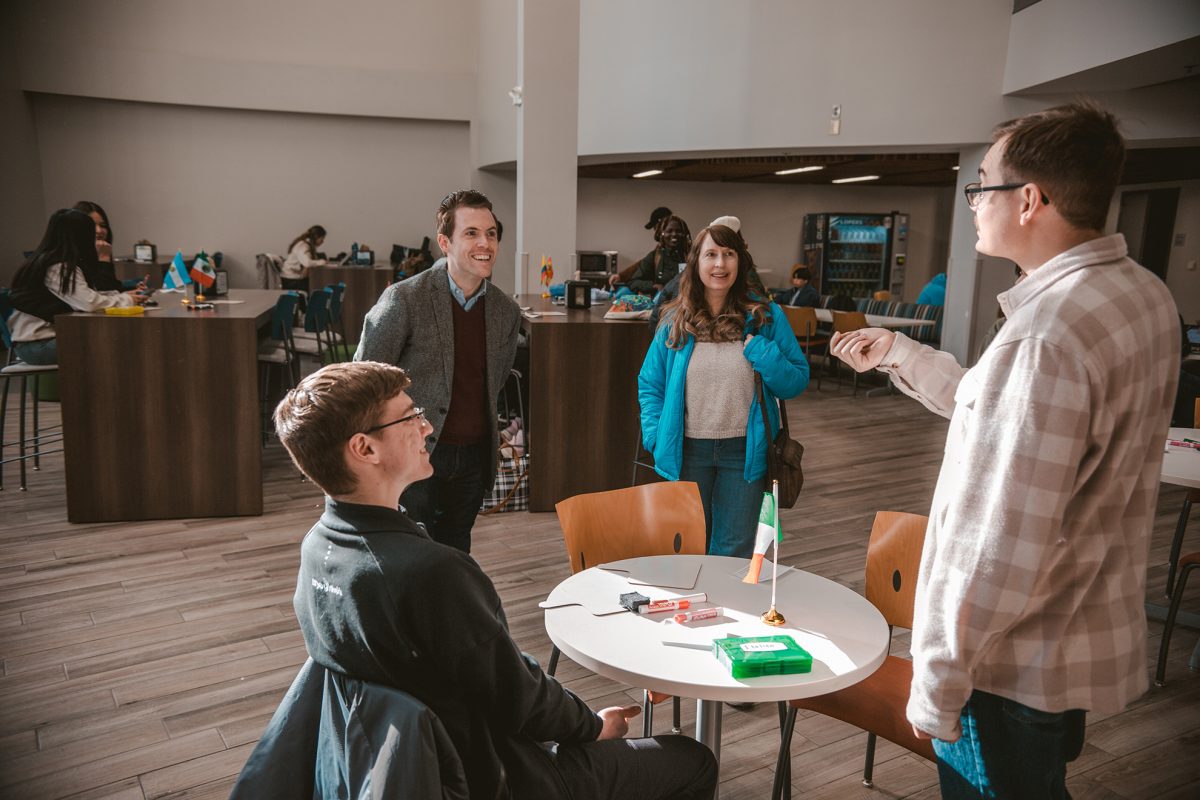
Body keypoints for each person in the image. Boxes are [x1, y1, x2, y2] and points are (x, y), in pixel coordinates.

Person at [829, 102, 1179, 799]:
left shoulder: (1043, 336)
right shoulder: (1140, 295)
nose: (972, 205)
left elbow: (994, 543)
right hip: (1068, 644)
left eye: (979, 185)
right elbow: (1002, 417)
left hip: (1007, 665)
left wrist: (936, 684)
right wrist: (901, 353)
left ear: (1029, 200)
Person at [274, 360, 718, 799]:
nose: (427, 429)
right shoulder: (430, 572)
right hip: (489, 774)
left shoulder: (318, 547)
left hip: (394, 766)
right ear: (364, 449)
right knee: (694, 761)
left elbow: (488, 668)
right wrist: (596, 726)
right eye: (411, 417)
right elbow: (518, 699)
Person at [356, 189, 522, 554]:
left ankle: (448, 613)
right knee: (410, 554)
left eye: (491, 233)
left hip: (474, 458)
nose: (485, 243)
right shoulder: (405, 299)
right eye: (472, 233)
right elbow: (362, 379)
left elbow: (494, 380)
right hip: (413, 453)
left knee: (456, 553)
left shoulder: (505, 312)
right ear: (445, 242)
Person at [639, 223, 809, 557]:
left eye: (728, 254)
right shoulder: (675, 319)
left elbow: (795, 381)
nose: (720, 264)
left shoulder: (766, 317)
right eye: (711, 255)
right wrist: (656, 436)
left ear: (740, 262)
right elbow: (650, 383)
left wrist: (762, 353)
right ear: (696, 263)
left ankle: (727, 610)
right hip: (687, 451)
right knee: (690, 544)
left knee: (734, 548)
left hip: (744, 453)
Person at [8, 209, 146, 364]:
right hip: (39, 345)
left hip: (42, 341)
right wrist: (126, 299)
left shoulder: (54, 261)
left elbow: (85, 296)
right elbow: (88, 302)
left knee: (121, 339)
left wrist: (123, 296)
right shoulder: (59, 267)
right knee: (122, 342)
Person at [611, 214, 691, 295]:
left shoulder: (693, 256)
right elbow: (634, 280)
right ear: (662, 233)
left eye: (678, 231)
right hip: (662, 304)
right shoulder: (656, 256)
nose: (674, 234)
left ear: (684, 234)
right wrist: (653, 286)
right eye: (669, 231)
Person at [71, 200, 122, 291]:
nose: (99, 231)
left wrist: (133, 290)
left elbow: (113, 287)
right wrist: (104, 258)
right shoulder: (71, 260)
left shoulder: (100, 250)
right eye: (91, 225)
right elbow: (103, 293)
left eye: (103, 225)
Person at [281, 225, 327, 293]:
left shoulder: (308, 245)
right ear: (316, 237)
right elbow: (307, 263)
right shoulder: (303, 245)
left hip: (294, 278)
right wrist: (321, 262)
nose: (323, 241)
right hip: (291, 280)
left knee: (316, 284)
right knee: (316, 287)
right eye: (322, 238)